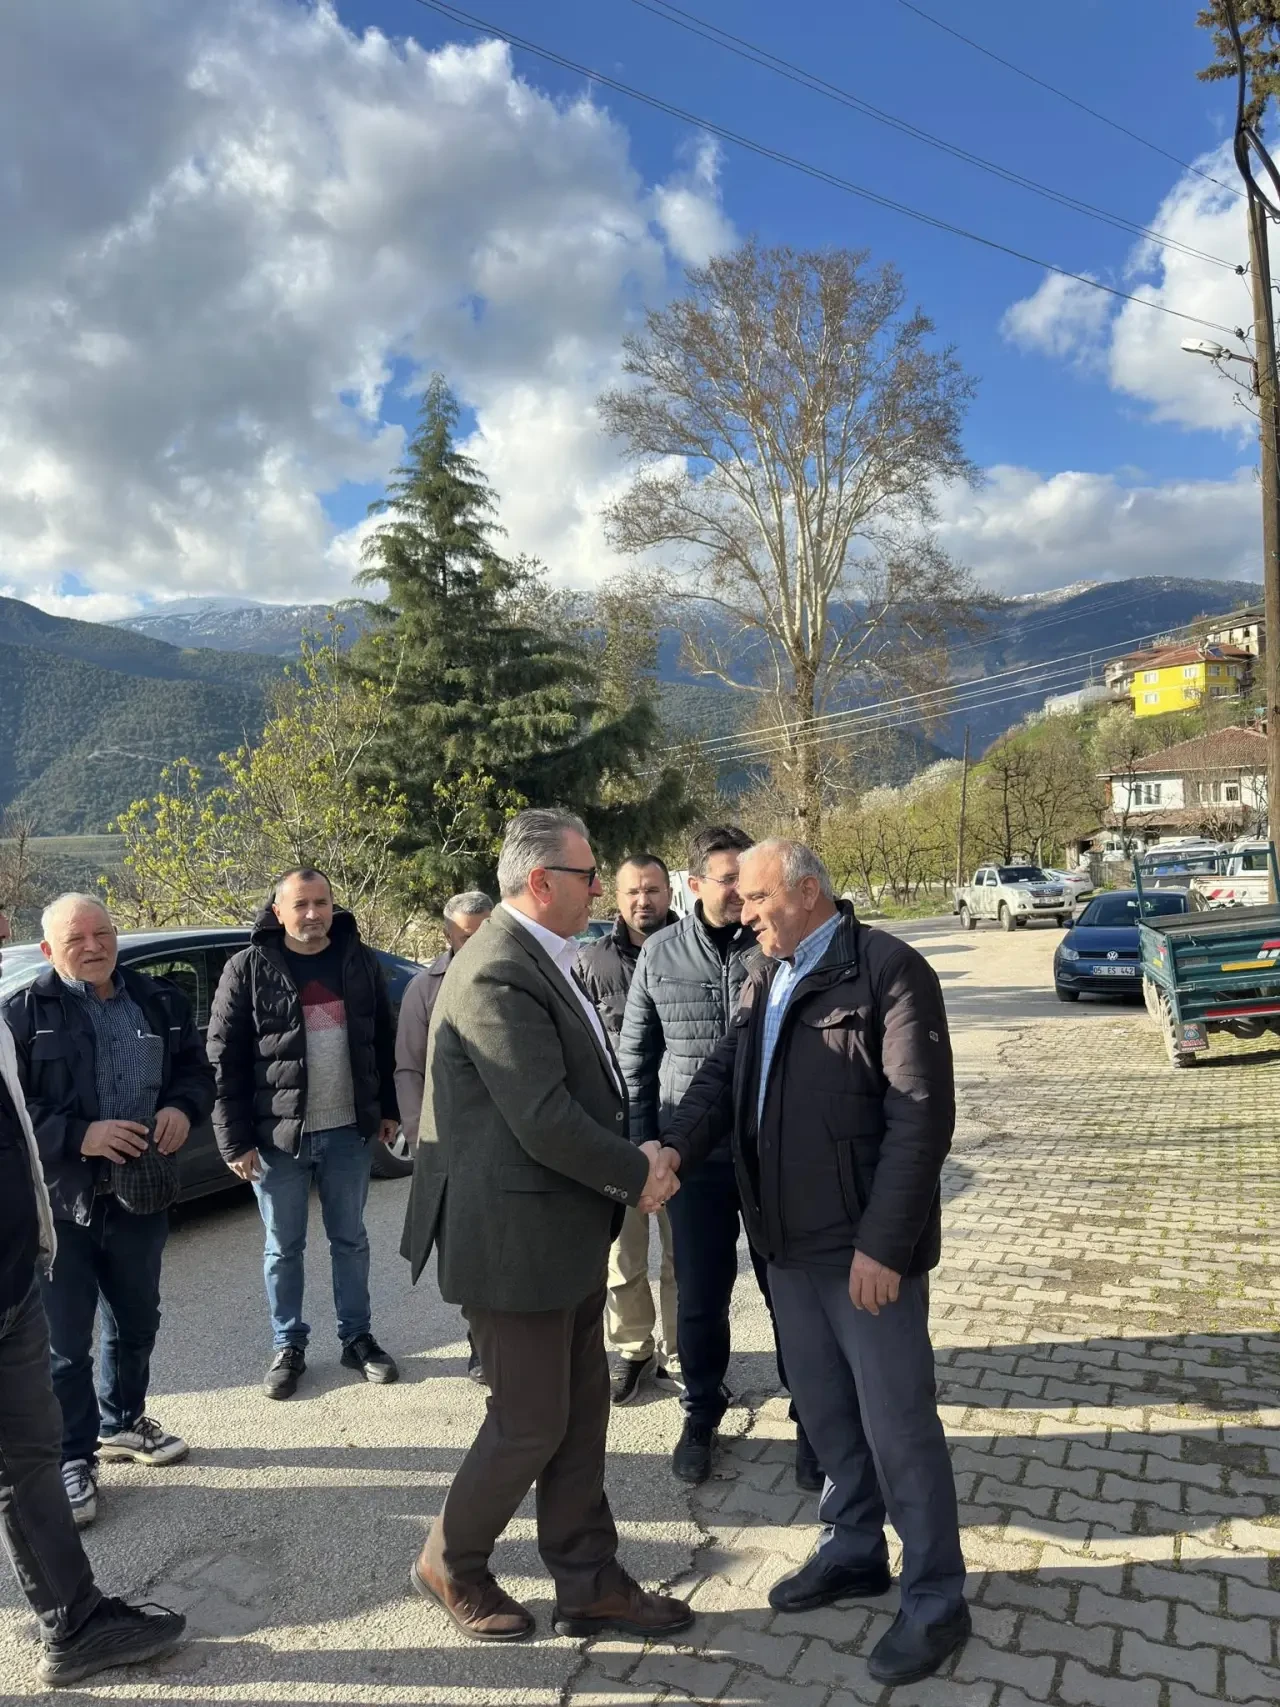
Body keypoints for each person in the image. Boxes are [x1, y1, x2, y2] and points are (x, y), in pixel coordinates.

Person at [658, 839, 969, 1687]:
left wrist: (885, 1243)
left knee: (899, 1424)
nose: (742, 910)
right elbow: (723, 1077)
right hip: (786, 1249)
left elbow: (919, 1123)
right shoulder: (769, 973)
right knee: (829, 1416)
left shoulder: (890, 971)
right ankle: (854, 1547)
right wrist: (674, 1151)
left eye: (755, 897)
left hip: (861, 1255)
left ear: (805, 890)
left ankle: (937, 1597)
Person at [400, 808, 693, 1644]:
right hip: (510, 1248)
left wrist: (629, 1159)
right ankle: (451, 1560)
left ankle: (590, 1580)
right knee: (529, 1420)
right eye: (587, 875)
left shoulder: (539, 953)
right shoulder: (496, 967)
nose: (599, 888)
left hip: (555, 1234)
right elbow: (542, 1117)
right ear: (540, 883)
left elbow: (574, 1095)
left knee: (579, 1412)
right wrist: (639, 1172)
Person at [0, 904, 188, 1689]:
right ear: (49, 948)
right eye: (76, 936)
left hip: (140, 1196)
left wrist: (184, 1106)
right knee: (66, 1343)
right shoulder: (24, 1013)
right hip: (70, 1202)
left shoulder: (154, 999)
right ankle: (78, 1456)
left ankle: (124, 1418)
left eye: (103, 932)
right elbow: (25, 1118)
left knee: (138, 1318)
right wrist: (78, 1134)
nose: (94, 944)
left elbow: (193, 1067)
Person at [617, 826, 811, 1489]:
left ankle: (812, 1414)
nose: (741, 893)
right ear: (694, 884)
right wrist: (647, 1140)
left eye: (749, 881)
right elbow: (636, 1057)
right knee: (699, 1294)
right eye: (729, 879)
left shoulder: (776, 947)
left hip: (769, 1152)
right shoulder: (660, 953)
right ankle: (701, 1409)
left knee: (790, 1289)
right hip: (691, 1159)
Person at [206, 868, 400, 1400]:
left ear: (333, 906)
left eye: (322, 903)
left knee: (350, 1240)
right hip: (277, 1139)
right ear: (278, 912)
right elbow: (225, 1061)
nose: (313, 914)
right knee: (282, 1248)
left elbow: (383, 1039)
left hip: (347, 1132)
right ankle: (288, 1344)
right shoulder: (247, 968)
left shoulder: (358, 960)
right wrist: (234, 1140)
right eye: (301, 904)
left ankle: (357, 1338)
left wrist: (387, 1108)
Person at [577, 854, 679, 1405]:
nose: (645, 901)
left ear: (670, 891)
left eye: (654, 890)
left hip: (685, 1127)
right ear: (616, 898)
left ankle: (684, 1354)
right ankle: (634, 1348)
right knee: (624, 1252)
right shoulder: (592, 963)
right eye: (634, 892)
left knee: (685, 1253)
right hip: (619, 1133)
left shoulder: (693, 953)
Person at [394, 889, 493, 1381]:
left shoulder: (513, 974)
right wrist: (420, 1136)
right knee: (464, 1253)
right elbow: (408, 1069)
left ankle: (510, 1341)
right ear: (448, 936)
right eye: (466, 937)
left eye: (485, 933)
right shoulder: (424, 989)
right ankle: (479, 1342)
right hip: (449, 1145)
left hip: (505, 1142)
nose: (477, 945)